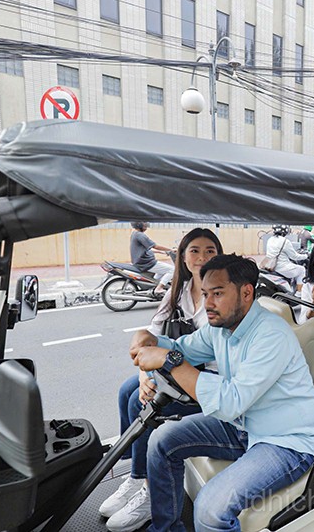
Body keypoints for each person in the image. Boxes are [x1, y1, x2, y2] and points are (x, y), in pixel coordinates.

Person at [129, 254, 314, 532]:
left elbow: (230, 401)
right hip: (242, 425)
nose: (208, 303)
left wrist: (170, 361)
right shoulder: (220, 327)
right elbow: (182, 349)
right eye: (206, 294)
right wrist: (151, 339)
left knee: (210, 509)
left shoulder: (271, 335)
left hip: (285, 440)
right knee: (161, 440)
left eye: (218, 293)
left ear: (246, 293)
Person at [101, 228, 224, 532]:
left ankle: (148, 491)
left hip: (207, 378)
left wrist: (159, 366)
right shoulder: (178, 290)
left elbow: (210, 354)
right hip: (180, 364)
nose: (202, 257)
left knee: (140, 402)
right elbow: (152, 336)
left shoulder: (222, 297)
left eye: (210, 251)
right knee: (128, 390)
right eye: (195, 250)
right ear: (183, 256)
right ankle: (137, 476)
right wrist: (145, 374)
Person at [130, 221, 175, 295]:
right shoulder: (140, 235)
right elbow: (155, 246)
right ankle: (159, 288)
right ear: (139, 224)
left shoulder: (135, 233)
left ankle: (154, 286)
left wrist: (161, 252)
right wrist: (171, 250)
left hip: (141, 262)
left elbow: (146, 249)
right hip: (146, 263)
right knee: (173, 270)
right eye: (144, 223)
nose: (146, 225)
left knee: (162, 271)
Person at [266, 224, 306, 291]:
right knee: (302, 269)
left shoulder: (270, 239)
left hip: (271, 266)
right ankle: (299, 293)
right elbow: (294, 256)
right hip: (282, 268)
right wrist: (305, 256)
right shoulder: (285, 241)